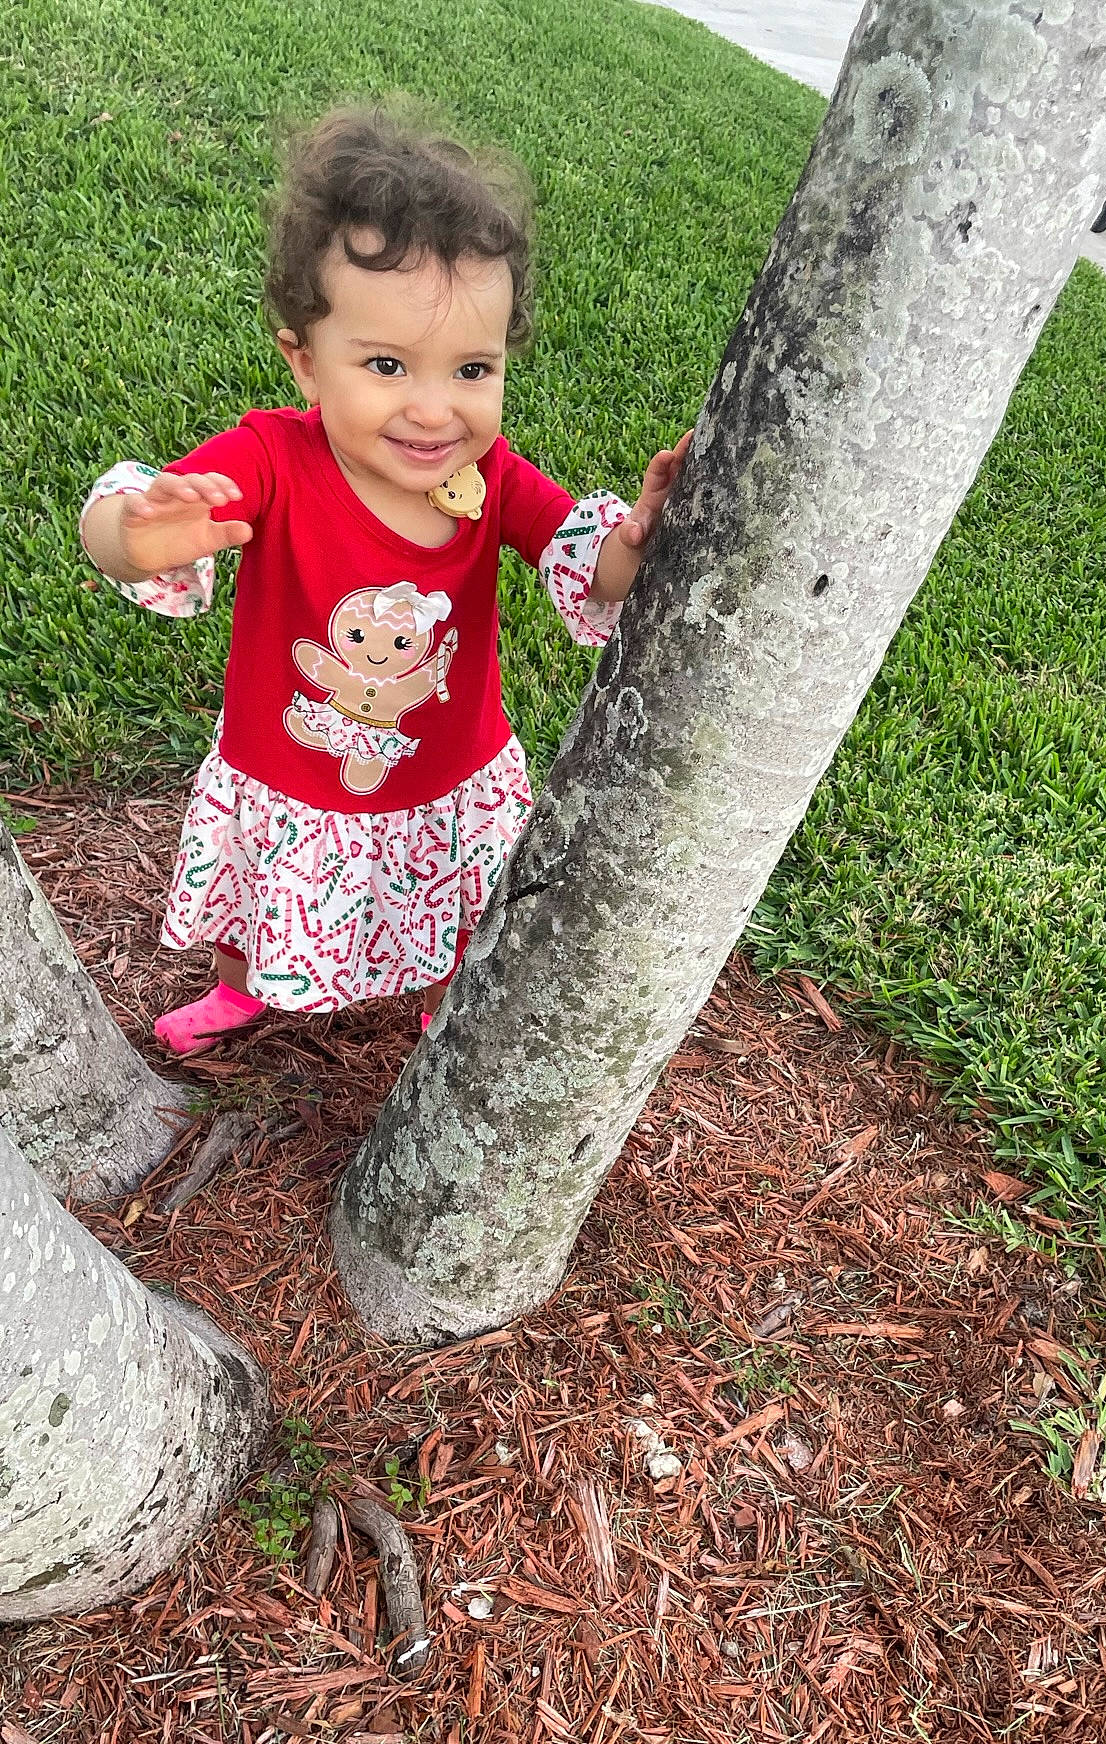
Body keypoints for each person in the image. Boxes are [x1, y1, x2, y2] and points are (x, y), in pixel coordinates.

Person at [81, 107, 690, 1055]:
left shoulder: (490, 479)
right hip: (288, 765)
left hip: (446, 768)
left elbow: (588, 557)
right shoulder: (272, 458)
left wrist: (643, 536)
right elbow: (124, 533)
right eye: (387, 364)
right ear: (305, 361)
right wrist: (137, 534)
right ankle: (241, 987)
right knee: (258, 884)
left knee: (452, 895)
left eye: (473, 368)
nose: (434, 408)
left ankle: (443, 994)